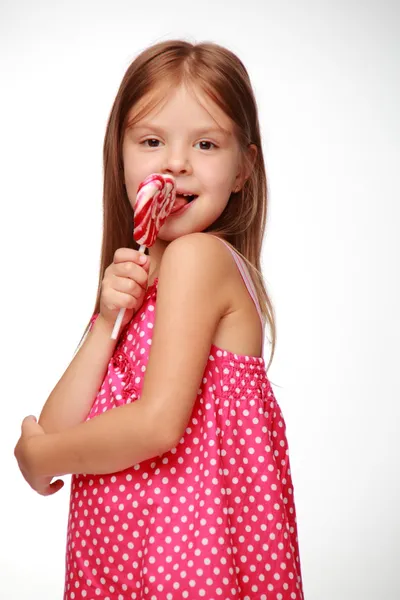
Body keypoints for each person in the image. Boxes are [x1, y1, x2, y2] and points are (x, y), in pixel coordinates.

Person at [14, 40, 304, 600]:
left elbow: (156, 426)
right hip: (123, 558)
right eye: (151, 140)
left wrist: (38, 458)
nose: (175, 162)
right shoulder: (147, 281)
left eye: (205, 143)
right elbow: (61, 426)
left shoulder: (201, 260)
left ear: (244, 167)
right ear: (120, 156)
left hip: (187, 564)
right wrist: (106, 322)